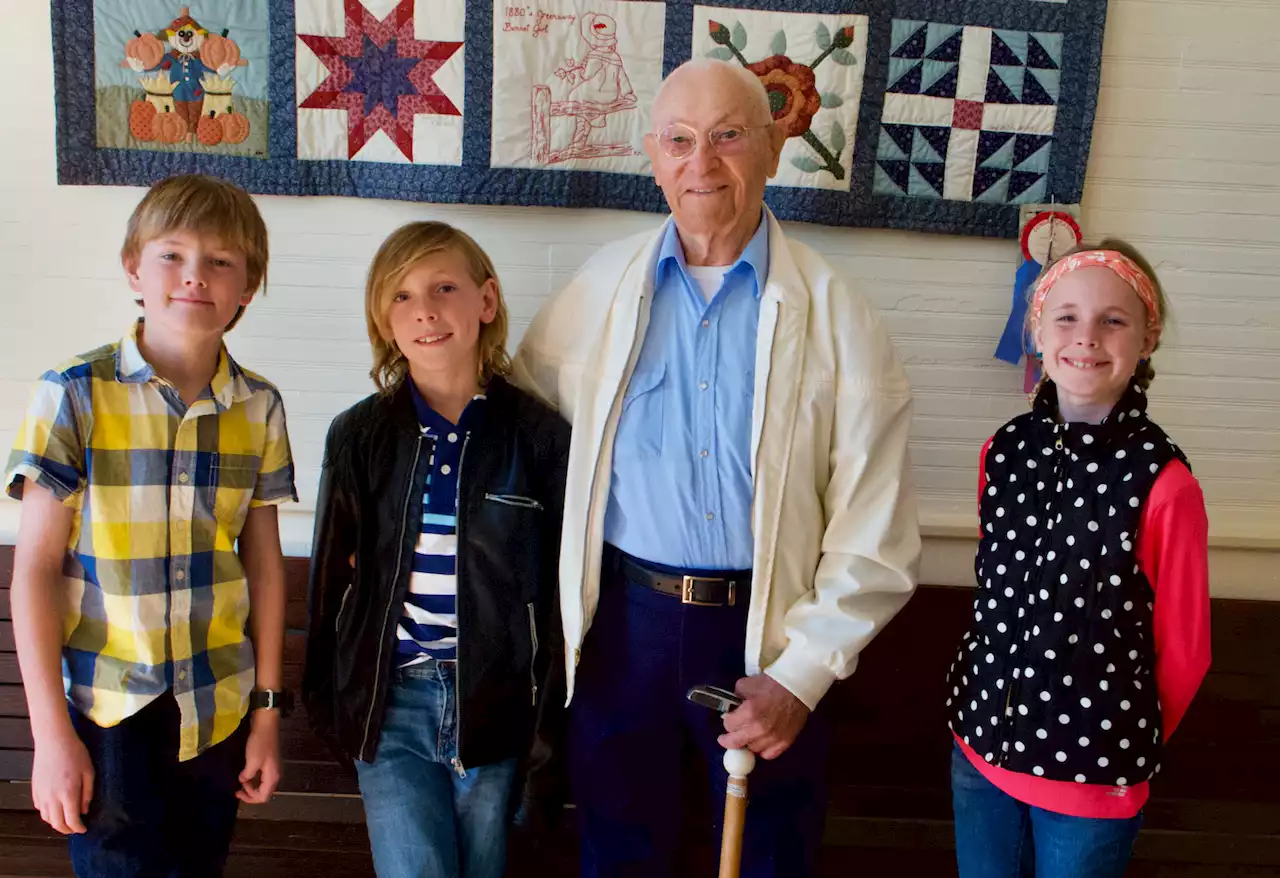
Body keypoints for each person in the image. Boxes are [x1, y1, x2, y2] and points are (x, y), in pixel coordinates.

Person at [512, 58, 921, 878]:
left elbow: (872, 531)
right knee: (619, 854)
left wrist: (801, 676)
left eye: (729, 136)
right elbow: (518, 437)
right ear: (654, 157)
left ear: (772, 148)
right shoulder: (595, 293)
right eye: (680, 140)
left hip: (764, 636)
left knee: (768, 856)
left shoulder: (840, 312)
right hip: (622, 629)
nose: (703, 163)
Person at [5, 174, 296, 876]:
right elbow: (37, 571)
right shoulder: (73, 392)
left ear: (247, 287)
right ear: (134, 268)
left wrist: (266, 715)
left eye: (221, 262)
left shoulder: (258, 406)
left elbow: (263, 567)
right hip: (108, 714)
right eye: (172, 255)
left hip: (217, 706)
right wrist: (49, 735)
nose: (195, 277)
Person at [302, 222, 569, 878]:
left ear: (486, 301)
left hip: (497, 706)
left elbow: (566, 591)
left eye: (444, 287)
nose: (424, 309)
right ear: (382, 321)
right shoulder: (359, 435)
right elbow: (328, 581)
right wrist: (332, 705)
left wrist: (549, 723)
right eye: (401, 296)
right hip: (391, 705)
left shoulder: (539, 437)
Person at [945, 240, 1211, 878]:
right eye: (1066, 316)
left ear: (1147, 339)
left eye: (1112, 320)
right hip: (980, 749)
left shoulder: (1164, 482)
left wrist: (1114, 741)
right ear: (1036, 330)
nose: (1085, 337)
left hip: (1092, 777)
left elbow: (1185, 652)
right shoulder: (1002, 451)